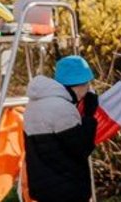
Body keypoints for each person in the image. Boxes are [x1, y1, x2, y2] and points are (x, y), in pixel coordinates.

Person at [23, 54, 98, 202]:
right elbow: (82, 148)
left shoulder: (34, 105)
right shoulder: (63, 108)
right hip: (66, 190)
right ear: (79, 84)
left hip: (43, 187)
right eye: (87, 85)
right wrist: (89, 116)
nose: (88, 90)